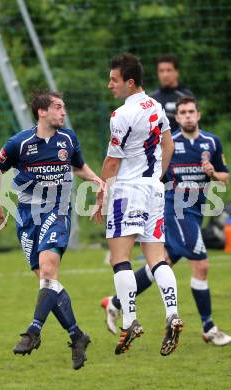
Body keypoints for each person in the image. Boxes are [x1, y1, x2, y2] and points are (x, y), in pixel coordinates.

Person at [101, 96, 231, 346]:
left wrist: (214, 174)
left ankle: (115, 302)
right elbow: (153, 167)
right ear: (177, 118)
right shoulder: (169, 142)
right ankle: (208, 327)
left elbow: (224, 177)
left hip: (195, 211)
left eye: (192, 111)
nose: (188, 116)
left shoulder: (211, 142)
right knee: (201, 264)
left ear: (198, 114)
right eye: (182, 112)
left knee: (161, 263)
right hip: (174, 210)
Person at [0, 90, 103, 370]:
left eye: (63, 107)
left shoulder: (68, 139)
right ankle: (77, 336)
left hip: (58, 210)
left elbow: (78, 167)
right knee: (47, 283)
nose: (63, 112)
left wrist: (98, 180)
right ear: (42, 112)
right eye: (58, 107)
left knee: (49, 272)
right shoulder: (20, 143)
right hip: (27, 216)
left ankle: (33, 331)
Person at [92, 53, 183, 356]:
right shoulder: (156, 107)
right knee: (157, 258)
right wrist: (157, 177)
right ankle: (172, 312)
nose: (109, 85)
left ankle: (129, 321)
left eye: (114, 80)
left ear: (130, 82)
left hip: (127, 191)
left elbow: (111, 162)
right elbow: (168, 145)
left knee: (120, 259)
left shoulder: (121, 115)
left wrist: (101, 194)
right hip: (153, 190)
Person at [150, 54, 194, 132]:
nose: (165, 74)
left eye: (169, 70)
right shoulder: (151, 99)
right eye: (161, 71)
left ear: (176, 72)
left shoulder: (186, 97)